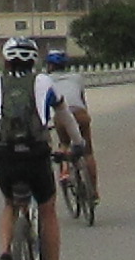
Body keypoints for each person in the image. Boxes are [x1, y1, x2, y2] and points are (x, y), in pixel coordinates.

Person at [0, 36, 82, 260]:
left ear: (6, 60)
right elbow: (65, 116)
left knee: (10, 204)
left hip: (6, 155)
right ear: (34, 60)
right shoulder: (44, 82)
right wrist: (78, 143)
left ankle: (6, 253)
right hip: (36, 155)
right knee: (47, 209)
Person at [42, 49, 98, 204]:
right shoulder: (77, 77)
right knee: (87, 151)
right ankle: (93, 192)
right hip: (81, 114)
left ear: (50, 66)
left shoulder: (45, 80)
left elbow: (46, 105)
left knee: (64, 143)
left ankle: (65, 172)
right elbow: (81, 99)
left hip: (62, 116)